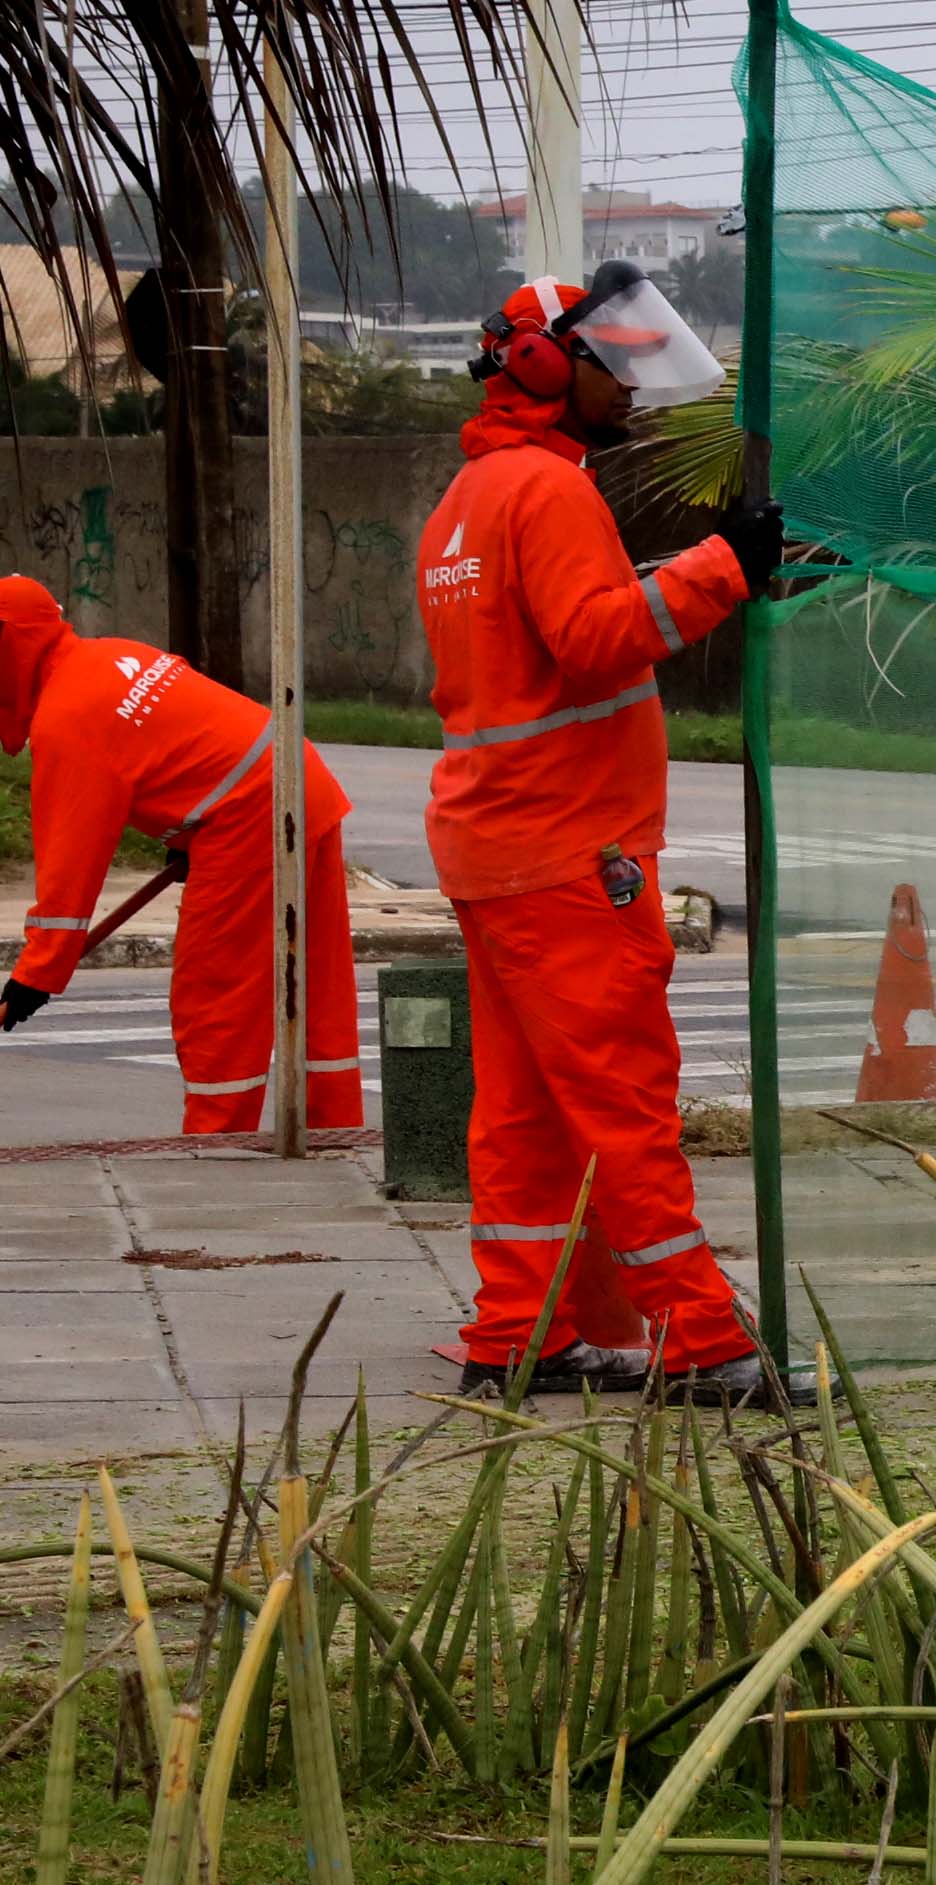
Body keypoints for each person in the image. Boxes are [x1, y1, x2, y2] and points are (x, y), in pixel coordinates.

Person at [418, 264, 786, 1404]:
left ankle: (515, 1334)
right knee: (626, 1106)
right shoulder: (548, 492)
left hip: (498, 850)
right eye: (613, 363)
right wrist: (730, 565)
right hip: (573, 854)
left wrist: (707, 572)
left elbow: (544, 640)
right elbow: (594, 639)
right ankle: (707, 1344)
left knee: (523, 1116)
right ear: (542, 365)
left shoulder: (464, 507)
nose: (632, 386)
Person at [0, 577, 360, 1132]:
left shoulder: (68, 718)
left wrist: (35, 975)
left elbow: (69, 870)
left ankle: (216, 1147)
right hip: (298, 777)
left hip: (249, 814)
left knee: (215, 995)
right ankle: (338, 1131)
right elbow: (185, 741)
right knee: (312, 981)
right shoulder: (111, 654)